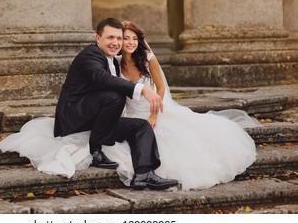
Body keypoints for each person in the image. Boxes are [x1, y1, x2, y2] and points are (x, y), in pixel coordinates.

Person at [0, 18, 179, 190]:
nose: (115, 42)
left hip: (98, 119)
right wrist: (143, 89)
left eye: (118, 38)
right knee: (114, 96)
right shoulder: (90, 56)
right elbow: (102, 79)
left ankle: (143, 174)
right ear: (98, 38)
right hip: (76, 118)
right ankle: (95, 150)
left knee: (141, 126)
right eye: (110, 37)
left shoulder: (114, 61)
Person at [101, 21, 260, 190]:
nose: (131, 42)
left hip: (155, 110)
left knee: (174, 137)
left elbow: (160, 88)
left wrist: (154, 115)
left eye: (135, 38)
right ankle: (144, 173)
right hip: (133, 115)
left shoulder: (148, 58)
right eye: (126, 38)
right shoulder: (115, 63)